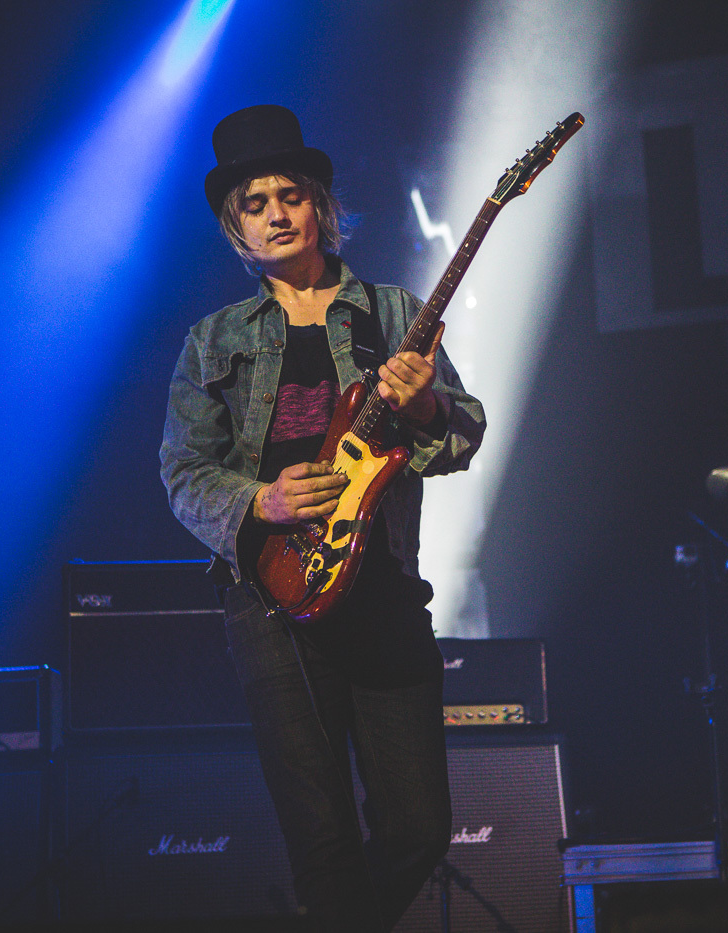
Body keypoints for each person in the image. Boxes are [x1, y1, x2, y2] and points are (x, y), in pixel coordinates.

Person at [159, 104, 486, 931]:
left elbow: (465, 433)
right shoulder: (213, 339)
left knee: (418, 826)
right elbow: (183, 469)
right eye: (253, 202)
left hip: (380, 586)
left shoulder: (389, 312)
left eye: (288, 196)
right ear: (237, 225)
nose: (274, 213)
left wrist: (426, 406)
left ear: (320, 207)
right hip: (272, 598)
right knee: (324, 835)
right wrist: (258, 500)